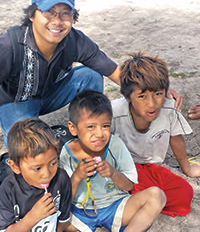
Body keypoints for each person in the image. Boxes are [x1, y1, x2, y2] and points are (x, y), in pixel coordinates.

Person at [0, 0, 181, 183]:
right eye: (49, 12)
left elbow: (114, 71)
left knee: (91, 75)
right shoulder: (9, 45)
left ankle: (86, 135)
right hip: (15, 103)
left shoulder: (74, 40)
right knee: (30, 152)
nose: (57, 21)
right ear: (33, 14)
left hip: (51, 93)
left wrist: (155, 88)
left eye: (65, 13)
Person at [59, 89, 166, 232]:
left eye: (105, 126)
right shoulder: (67, 151)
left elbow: (128, 186)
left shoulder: (115, 145)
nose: (99, 134)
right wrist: (77, 176)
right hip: (80, 211)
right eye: (91, 127)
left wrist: (113, 173)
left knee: (156, 195)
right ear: (73, 128)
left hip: (115, 206)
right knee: (56, 221)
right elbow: (64, 197)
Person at [111, 52, 200, 218]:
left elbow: (176, 137)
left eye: (158, 94)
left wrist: (187, 168)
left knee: (184, 194)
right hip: (124, 167)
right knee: (129, 186)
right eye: (142, 96)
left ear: (165, 91)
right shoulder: (114, 112)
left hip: (153, 167)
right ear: (127, 96)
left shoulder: (168, 109)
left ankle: (143, 201)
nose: (151, 104)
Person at [0, 118, 72, 231]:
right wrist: (33, 217)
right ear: (15, 167)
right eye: (37, 168)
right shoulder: (8, 189)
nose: (47, 174)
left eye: (53, 163)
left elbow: (62, 221)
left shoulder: (61, 179)